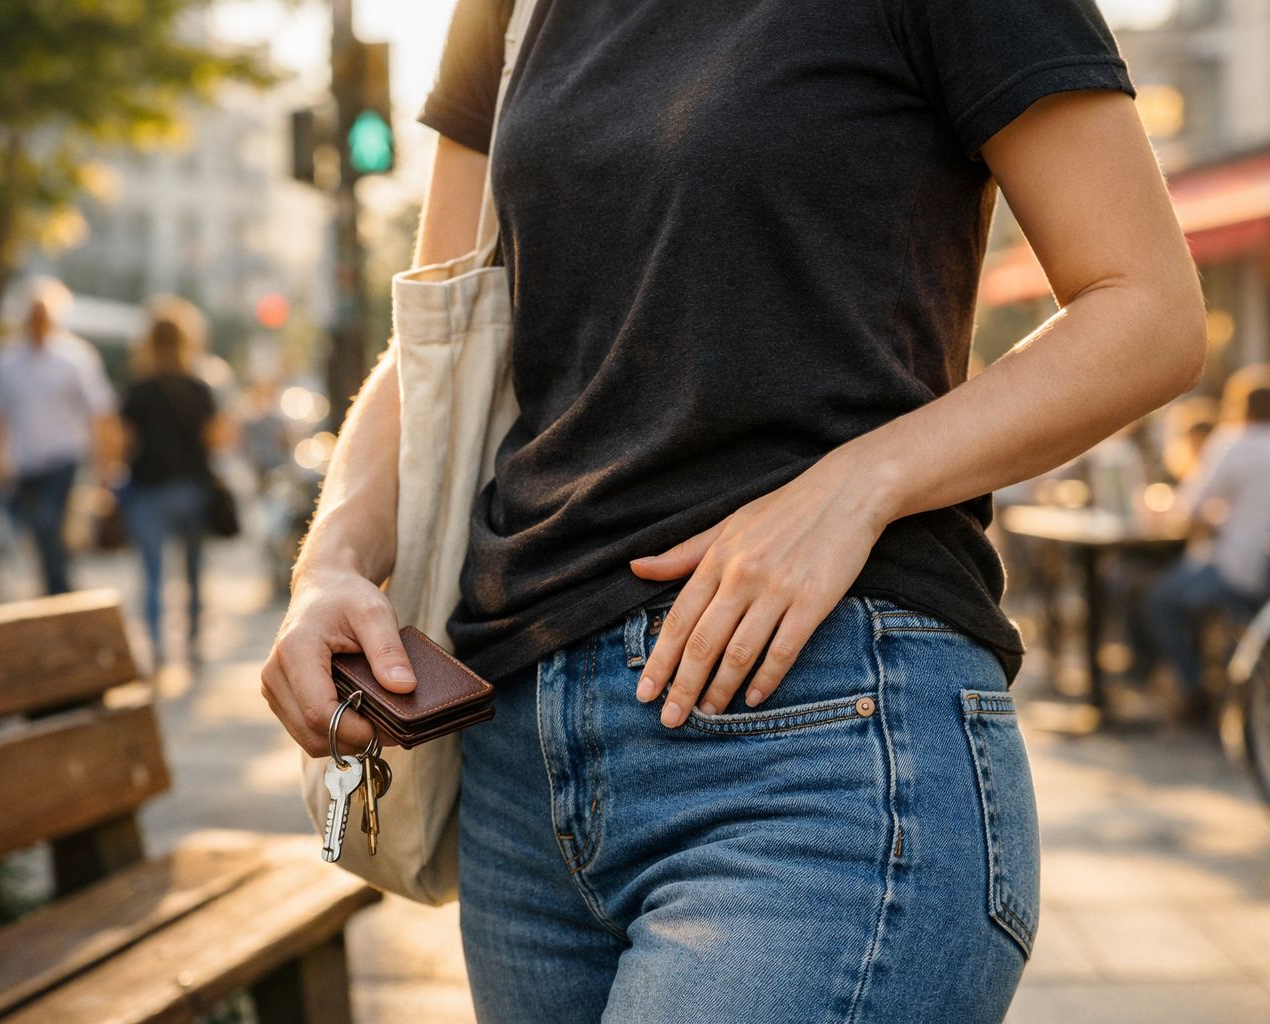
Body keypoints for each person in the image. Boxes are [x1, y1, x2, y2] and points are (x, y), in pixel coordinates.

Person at [261, 0, 1207, 1018]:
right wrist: (333, 564)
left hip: (815, 739)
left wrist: (856, 483)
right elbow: (436, 333)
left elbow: (1145, 307)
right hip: (521, 772)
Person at [1147, 377, 1270, 722]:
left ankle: (1193, 690)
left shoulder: (1233, 443)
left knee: (1162, 598)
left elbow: (1186, 511)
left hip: (1242, 572)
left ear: (1242, 409)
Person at [0, 278, 119, 595]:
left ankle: (58, 590)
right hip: (24, 460)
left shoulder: (75, 358)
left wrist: (105, 464)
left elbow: (99, 412)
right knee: (40, 530)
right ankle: (58, 586)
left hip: (63, 456)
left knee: (47, 522)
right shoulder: (7, 359)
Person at [119, 299, 222, 665]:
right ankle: (193, 641)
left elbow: (124, 442)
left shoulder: (139, 388)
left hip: (148, 487)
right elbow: (216, 439)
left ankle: (157, 646)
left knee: (151, 572)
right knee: (193, 570)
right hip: (193, 487)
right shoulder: (199, 386)